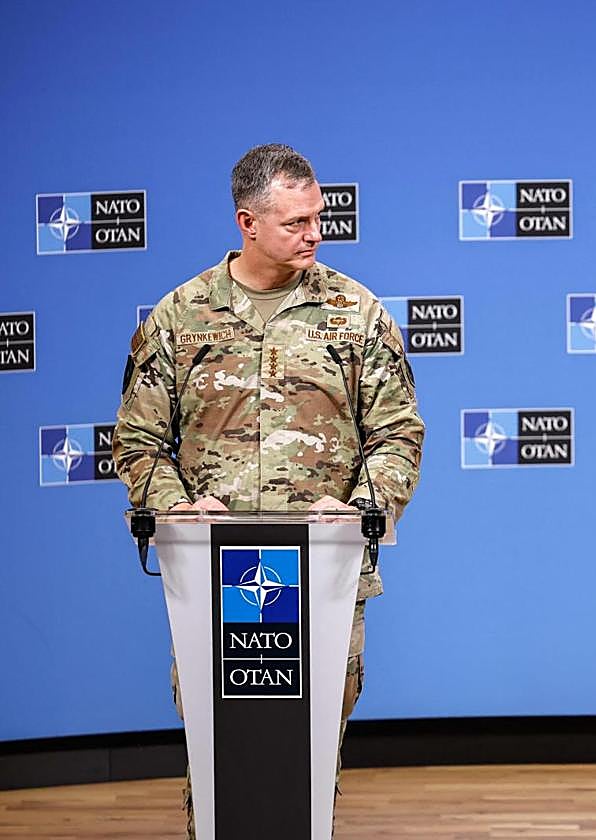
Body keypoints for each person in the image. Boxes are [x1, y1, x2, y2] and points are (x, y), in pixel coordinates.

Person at [113, 143, 424, 836]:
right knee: (221, 755)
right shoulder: (179, 317)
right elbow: (136, 441)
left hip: (324, 572)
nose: (315, 234)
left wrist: (364, 506)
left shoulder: (356, 312)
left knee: (307, 759)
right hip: (216, 575)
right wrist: (174, 505)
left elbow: (398, 433)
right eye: (296, 222)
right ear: (247, 223)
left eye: (319, 218)